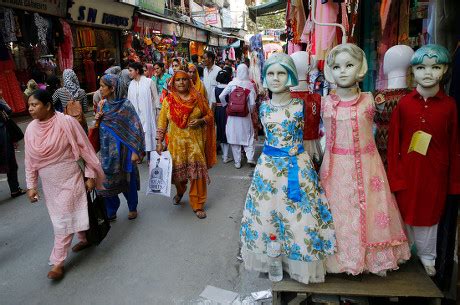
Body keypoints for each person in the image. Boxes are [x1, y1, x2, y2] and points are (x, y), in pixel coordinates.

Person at [240, 53, 336, 284]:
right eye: (271, 73)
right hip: (268, 169)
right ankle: (272, 258)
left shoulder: (301, 105)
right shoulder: (262, 107)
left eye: (281, 73)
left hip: (297, 165)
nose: (275, 78)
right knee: (267, 212)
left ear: (291, 74)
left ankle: (299, 261)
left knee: (299, 215)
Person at [320, 44, 410, 276]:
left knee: (369, 213)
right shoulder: (325, 102)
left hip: (368, 168)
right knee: (338, 214)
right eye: (337, 66)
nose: (343, 71)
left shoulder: (372, 100)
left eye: (349, 65)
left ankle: (371, 259)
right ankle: (339, 260)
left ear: (361, 67)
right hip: (335, 169)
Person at [387, 44, 460, 276]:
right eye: (420, 67)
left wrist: (454, 183)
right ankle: (403, 253)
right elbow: (394, 144)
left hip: (435, 175)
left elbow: (455, 145)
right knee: (403, 212)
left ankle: (428, 257)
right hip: (407, 173)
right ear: (413, 71)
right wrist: (394, 177)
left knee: (430, 217)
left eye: (435, 67)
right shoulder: (405, 104)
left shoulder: (450, 106)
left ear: (445, 69)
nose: (427, 73)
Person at [24, 89, 105, 280]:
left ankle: (58, 261)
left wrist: (90, 175)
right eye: (29, 105)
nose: (30, 109)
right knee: (64, 215)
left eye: (34, 105)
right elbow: (29, 161)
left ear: (48, 106)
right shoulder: (30, 130)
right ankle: (85, 238)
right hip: (50, 184)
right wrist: (31, 185)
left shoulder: (67, 122)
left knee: (63, 220)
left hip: (71, 178)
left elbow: (85, 149)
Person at [156, 70, 216, 219]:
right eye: (178, 80)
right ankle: (180, 191)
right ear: (173, 83)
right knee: (178, 177)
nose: (181, 82)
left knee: (197, 176)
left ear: (189, 81)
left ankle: (198, 204)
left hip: (195, 145)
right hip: (176, 145)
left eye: (184, 79)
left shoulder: (198, 98)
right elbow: (162, 122)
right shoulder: (168, 101)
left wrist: (201, 121)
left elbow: (209, 115)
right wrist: (159, 141)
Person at [96, 74, 145, 221]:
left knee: (127, 178)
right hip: (106, 151)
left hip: (124, 150)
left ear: (112, 88)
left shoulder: (125, 106)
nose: (100, 89)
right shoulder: (102, 105)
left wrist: (135, 152)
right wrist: (97, 120)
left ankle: (132, 207)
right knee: (106, 180)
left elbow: (135, 128)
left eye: (102, 86)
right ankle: (111, 209)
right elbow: (99, 127)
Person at [219, 64, 257, 168]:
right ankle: (250, 158)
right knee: (249, 137)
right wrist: (249, 111)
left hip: (232, 116)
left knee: (234, 138)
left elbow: (221, 96)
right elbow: (253, 103)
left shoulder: (232, 84)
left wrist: (226, 106)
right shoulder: (250, 85)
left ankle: (237, 162)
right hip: (245, 116)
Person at [127, 61, 159, 153]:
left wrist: (157, 113)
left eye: (130, 70)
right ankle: (140, 154)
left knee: (148, 135)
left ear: (137, 71)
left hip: (148, 113)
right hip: (135, 115)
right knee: (137, 134)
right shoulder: (131, 84)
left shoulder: (149, 82)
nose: (129, 73)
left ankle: (150, 156)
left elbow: (156, 98)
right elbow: (129, 101)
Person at [0, 89, 26, 198]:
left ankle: (15, 189)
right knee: (10, 162)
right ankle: (14, 189)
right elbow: (8, 110)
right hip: (2, 134)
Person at [214, 70, 233, 163]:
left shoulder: (215, 88)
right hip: (227, 110)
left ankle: (224, 155)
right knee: (227, 130)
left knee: (220, 131)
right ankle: (226, 156)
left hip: (218, 110)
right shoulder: (230, 88)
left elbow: (213, 102)